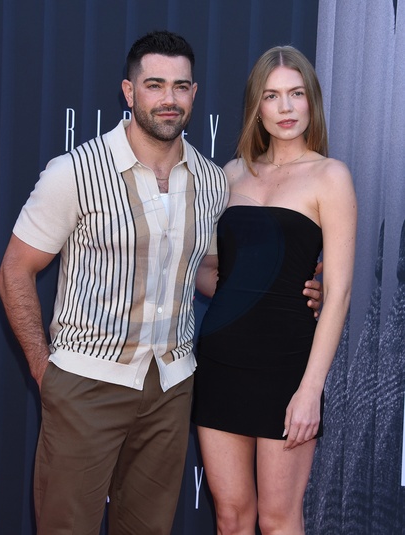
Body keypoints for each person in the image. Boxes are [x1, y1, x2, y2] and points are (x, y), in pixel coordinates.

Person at [0, 32, 322, 535]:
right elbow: (15, 270)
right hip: (87, 383)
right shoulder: (74, 172)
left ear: (194, 93)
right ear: (129, 92)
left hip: (172, 387)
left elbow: (212, 273)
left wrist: (291, 287)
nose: (169, 98)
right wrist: (46, 372)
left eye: (180, 86)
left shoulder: (213, 182)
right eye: (154, 85)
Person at [192, 45, 357, 535]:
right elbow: (206, 270)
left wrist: (311, 390)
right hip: (222, 361)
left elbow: (339, 293)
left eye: (296, 94)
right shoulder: (230, 175)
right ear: (256, 107)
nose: (285, 108)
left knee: (278, 519)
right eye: (271, 96)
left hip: (288, 368)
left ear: (311, 101)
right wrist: (239, 285)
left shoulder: (330, 176)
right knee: (230, 516)